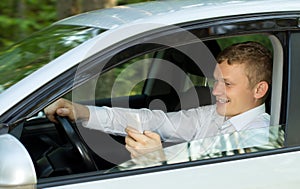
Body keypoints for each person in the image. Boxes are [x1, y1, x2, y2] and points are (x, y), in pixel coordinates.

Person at [45, 41, 272, 159]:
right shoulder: (212, 115)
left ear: (259, 89)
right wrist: (82, 112)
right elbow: (153, 121)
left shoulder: (262, 139)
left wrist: (159, 160)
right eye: (216, 81)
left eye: (227, 84)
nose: (215, 91)